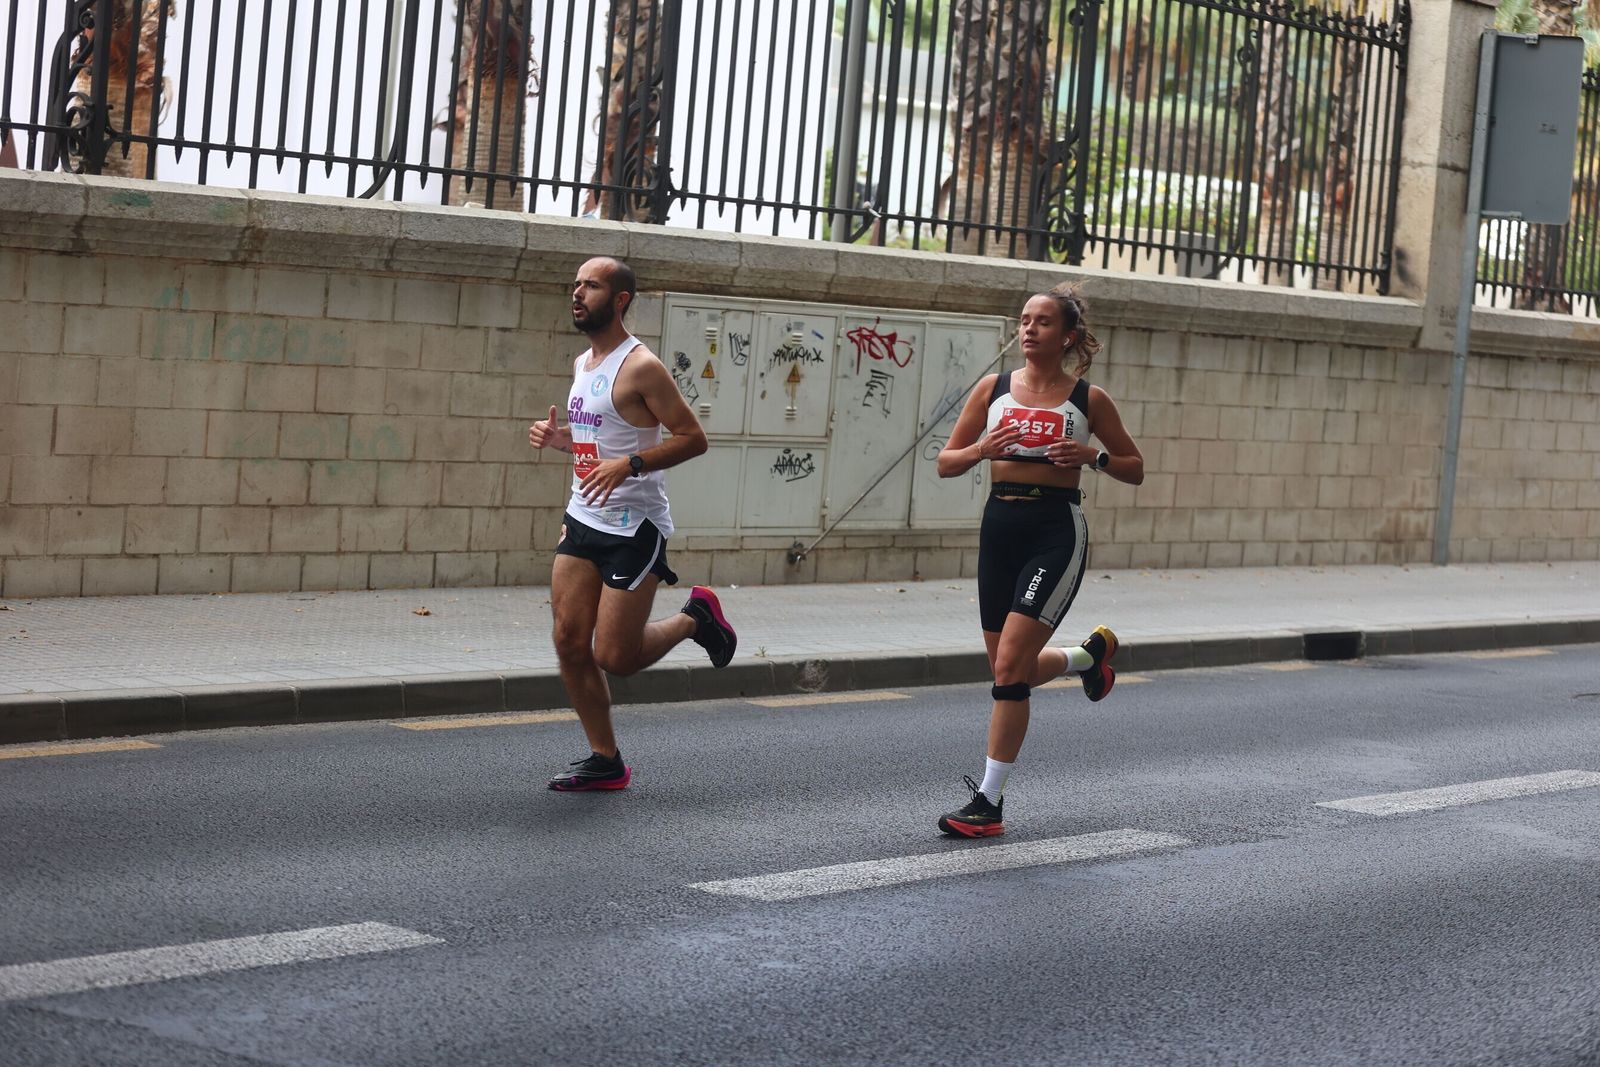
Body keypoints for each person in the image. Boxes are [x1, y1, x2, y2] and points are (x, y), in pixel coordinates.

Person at [932, 283, 1144, 837]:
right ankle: (1088, 658)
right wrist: (983, 450)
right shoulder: (993, 389)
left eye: (1043, 322)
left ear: (1068, 335)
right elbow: (945, 463)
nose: (1028, 329)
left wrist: (1091, 457)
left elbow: (1133, 466)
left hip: (1055, 530)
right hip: (999, 527)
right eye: (1024, 320)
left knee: (1007, 671)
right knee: (1013, 668)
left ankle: (989, 802)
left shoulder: (1088, 400)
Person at [527, 256, 738, 791]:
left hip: (633, 527)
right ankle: (606, 760)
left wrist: (634, 464)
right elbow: (600, 442)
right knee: (569, 642)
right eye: (574, 284)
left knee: (614, 656)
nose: (577, 294)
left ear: (619, 299)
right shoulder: (584, 364)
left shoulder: (641, 366)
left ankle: (696, 616)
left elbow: (693, 438)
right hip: (582, 520)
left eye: (591, 286)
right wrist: (563, 443)